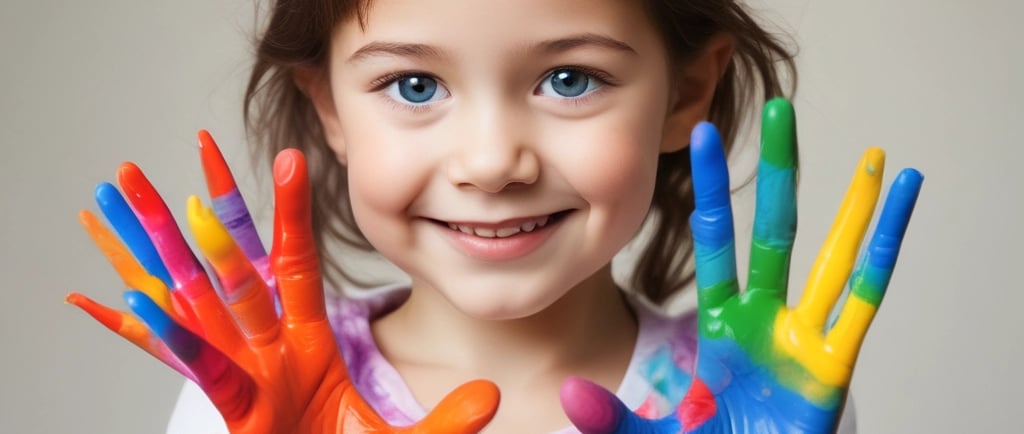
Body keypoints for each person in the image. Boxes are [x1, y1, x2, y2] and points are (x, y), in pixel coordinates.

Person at [68, 0, 924, 433]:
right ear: (328, 106)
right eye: (414, 85)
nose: (489, 161)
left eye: (569, 79)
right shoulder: (249, 396)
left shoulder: (764, 393)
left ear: (686, 90)